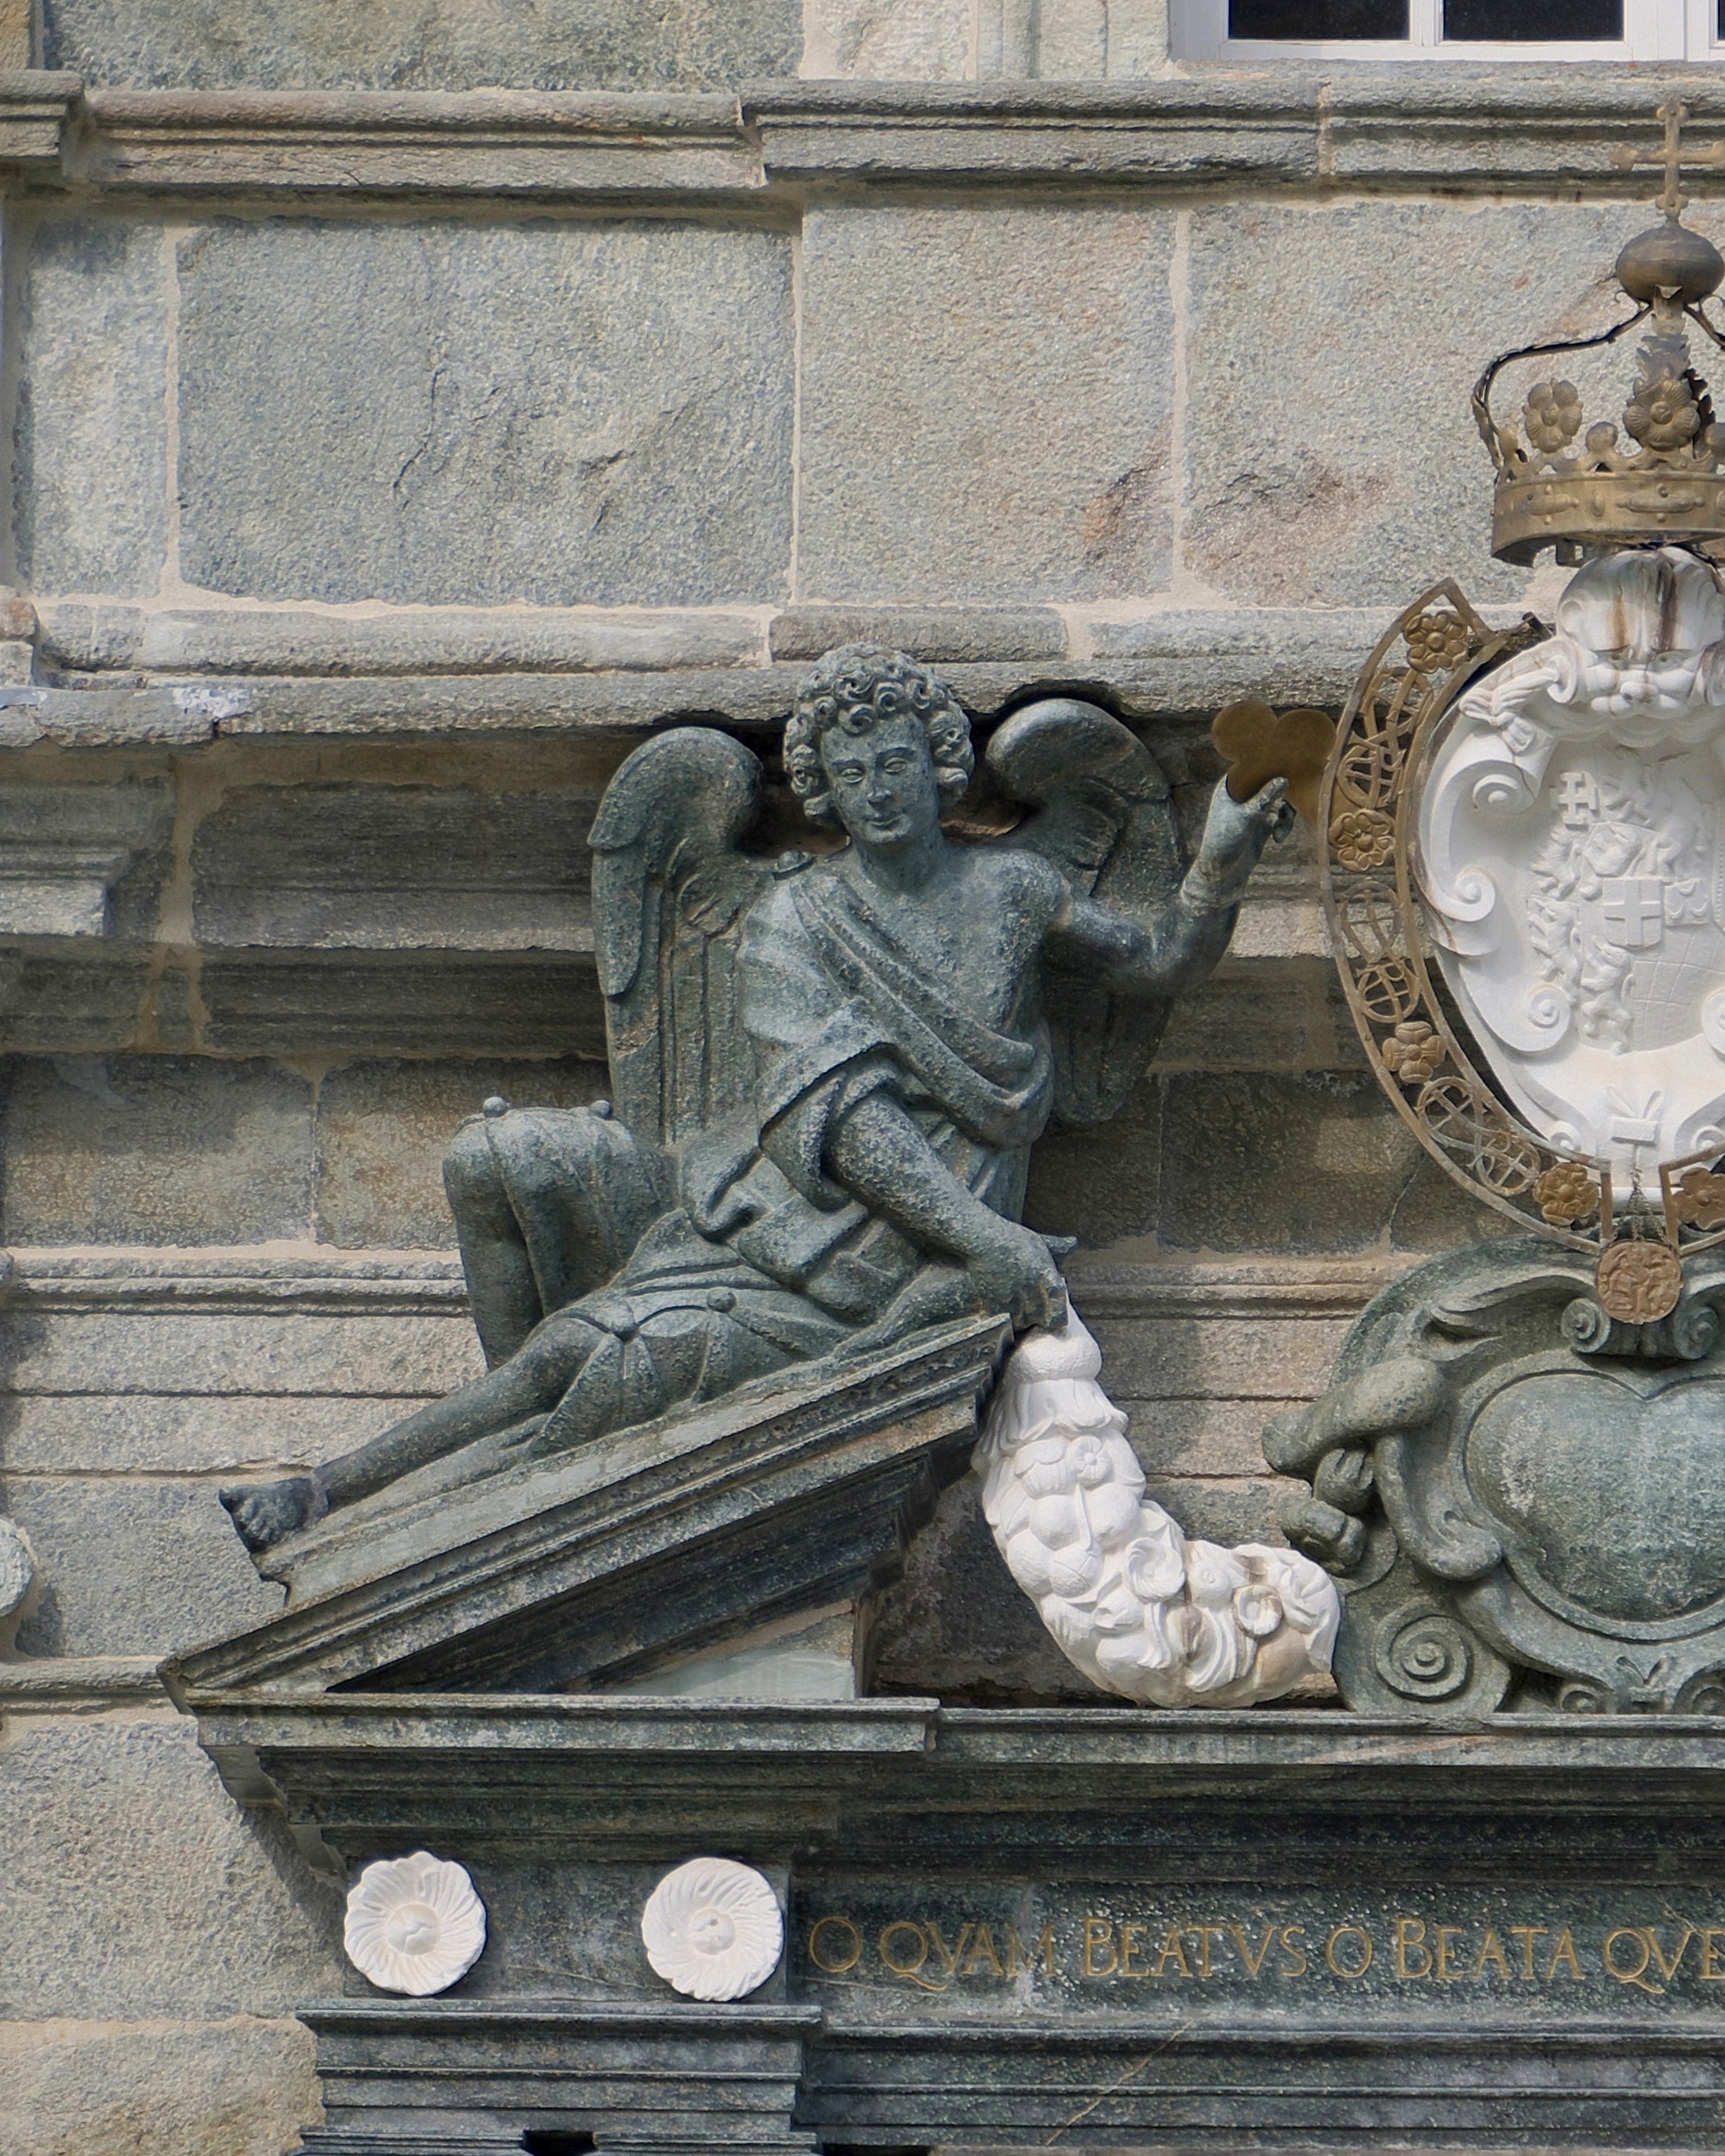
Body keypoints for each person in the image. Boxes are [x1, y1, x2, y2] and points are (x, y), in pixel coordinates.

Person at [222, 645, 1287, 1554]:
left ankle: (401, 1515)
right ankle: (343, 1496)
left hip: (904, 1269)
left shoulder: (1013, 890)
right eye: (850, 769)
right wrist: (990, 1241)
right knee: (545, 1280)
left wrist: (1222, 866)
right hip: (816, 1220)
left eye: (897, 761)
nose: (877, 786)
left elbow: (1152, 959)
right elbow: (844, 1119)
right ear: (823, 787)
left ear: (940, 766)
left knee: (607, 1354)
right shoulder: (794, 921)